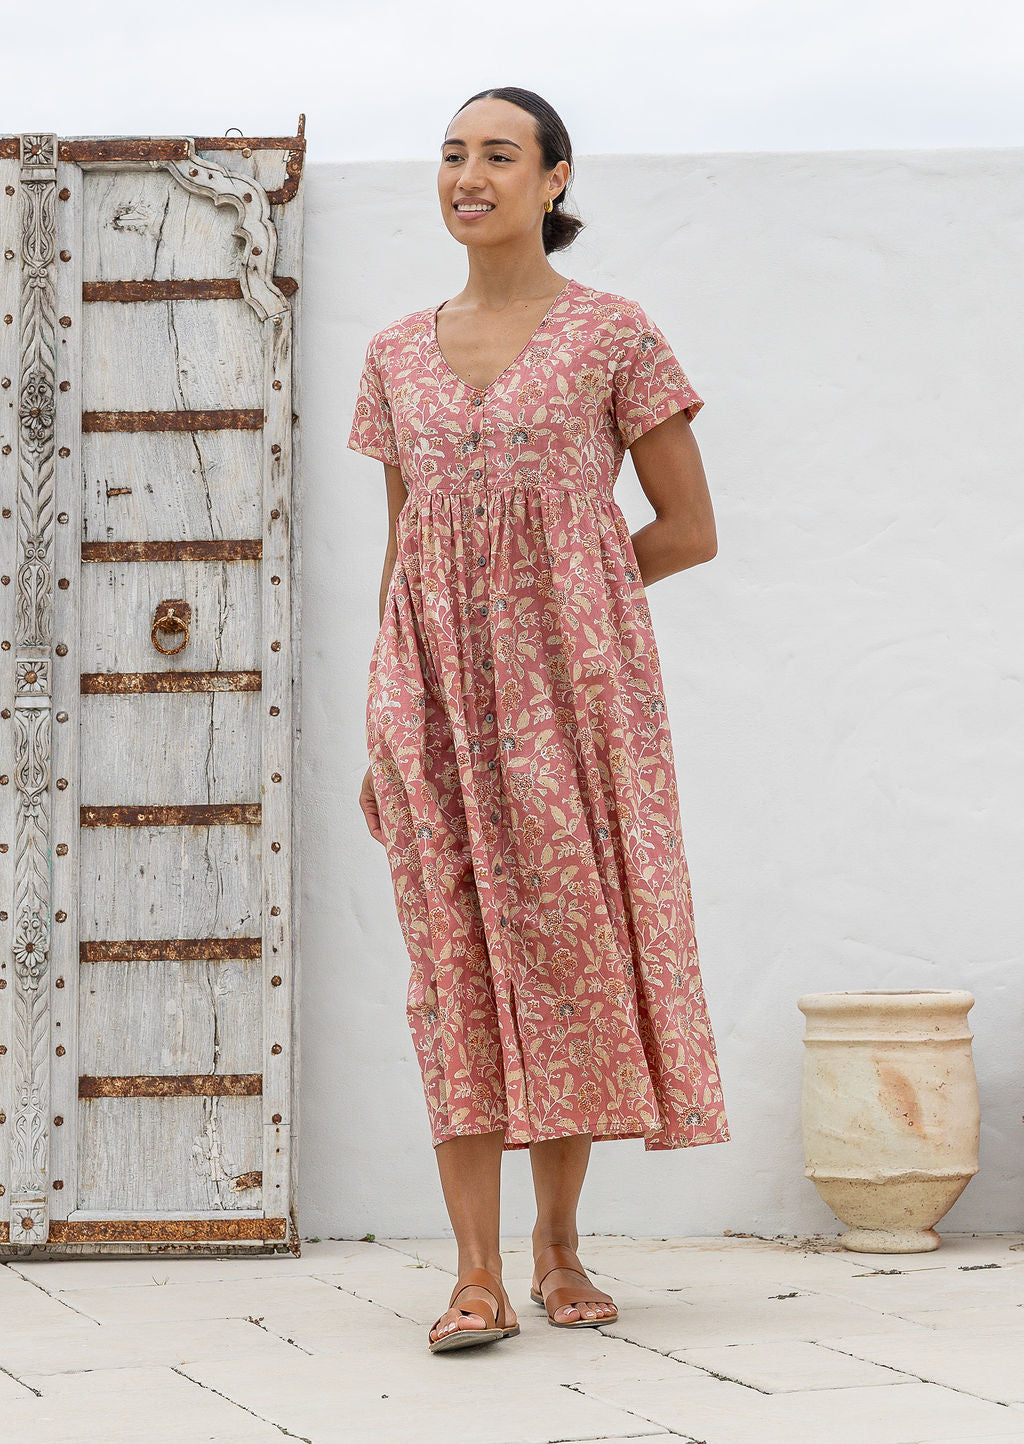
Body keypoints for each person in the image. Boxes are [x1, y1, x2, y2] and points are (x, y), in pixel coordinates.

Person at [347, 86, 730, 1354]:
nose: (468, 175)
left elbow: (688, 528)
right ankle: (472, 1275)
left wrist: (569, 593)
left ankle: (558, 1249)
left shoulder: (614, 334)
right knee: (450, 966)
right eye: (452, 154)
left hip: (576, 699)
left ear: (554, 179)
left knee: (567, 957)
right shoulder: (395, 354)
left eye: (498, 155)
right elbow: (407, 545)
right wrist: (383, 714)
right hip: (433, 699)